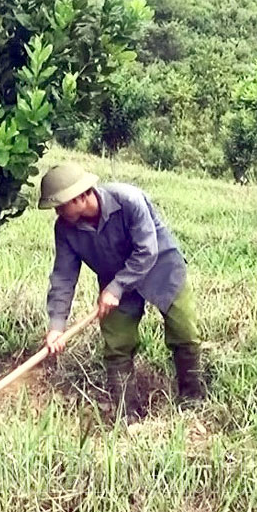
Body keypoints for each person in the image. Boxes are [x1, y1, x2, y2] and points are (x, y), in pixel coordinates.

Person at [38, 162, 204, 420]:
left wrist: (116, 287)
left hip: (162, 269)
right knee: (117, 345)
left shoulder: (128, 200)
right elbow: (63, 276)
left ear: (81, 196)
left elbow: (147, 251)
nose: (57, 212)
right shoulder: (65, 229)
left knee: (185, 333)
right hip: (114, 279)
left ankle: (193, 400)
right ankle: (129, 414)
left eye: (60, 206)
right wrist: (57, 325)